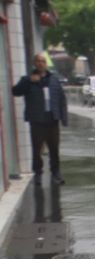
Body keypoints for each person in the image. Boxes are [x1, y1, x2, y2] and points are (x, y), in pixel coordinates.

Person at [12, 52, 68, 186]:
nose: (40, 63)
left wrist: (63, 118)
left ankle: (56, 173)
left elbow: (61, 99)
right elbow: (15, 91)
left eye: (43, 61)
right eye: (38, 61)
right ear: (34, 63)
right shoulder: (27, 79)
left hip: (52, 120)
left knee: (54, 149)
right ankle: (38, 173)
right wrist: (28, 81)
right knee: (37, 149)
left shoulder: (53, 79)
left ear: (46, 64)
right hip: (37, 120)